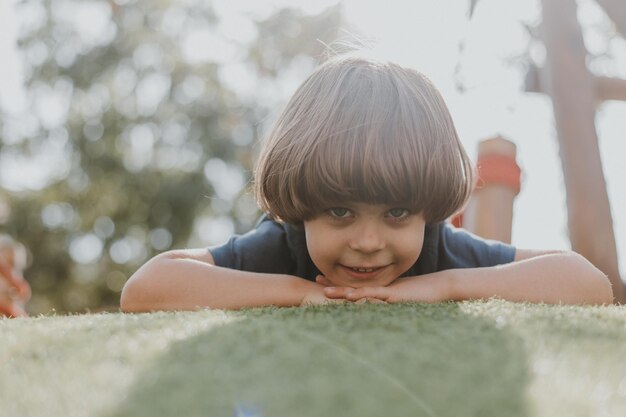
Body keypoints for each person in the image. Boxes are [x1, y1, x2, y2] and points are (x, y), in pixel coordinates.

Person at [120, 55, 613, 312]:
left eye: (397, 213)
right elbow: (144, 288)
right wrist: (298, 292)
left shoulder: (442, 251)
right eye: (340, 211)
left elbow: (588, 283)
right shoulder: (279, 248)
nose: (368, 242)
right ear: (303, 207)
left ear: (425, 209)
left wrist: (447, 285)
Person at [0, 235, 30, 317]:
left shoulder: (11, 272)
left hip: (7, 306)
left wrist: (13, 294)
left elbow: (24, 291)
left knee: (21, 317)